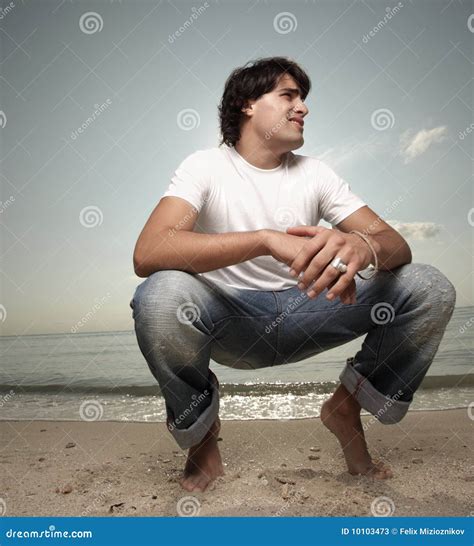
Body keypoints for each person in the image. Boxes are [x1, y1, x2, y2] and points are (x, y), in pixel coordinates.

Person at [130, 57, 456, 492]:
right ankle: (203, 440)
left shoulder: (316, 173)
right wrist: (264, 238)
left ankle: (345, 407)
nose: (302, 107)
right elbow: (150, 250)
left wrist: (366, 245)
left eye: (303, 99)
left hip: (310, 308)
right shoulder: (205, 167)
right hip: (231, 317)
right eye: (288, 96)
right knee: (159, 295)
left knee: (428, 286)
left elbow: (398, 246)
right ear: (247, 104)